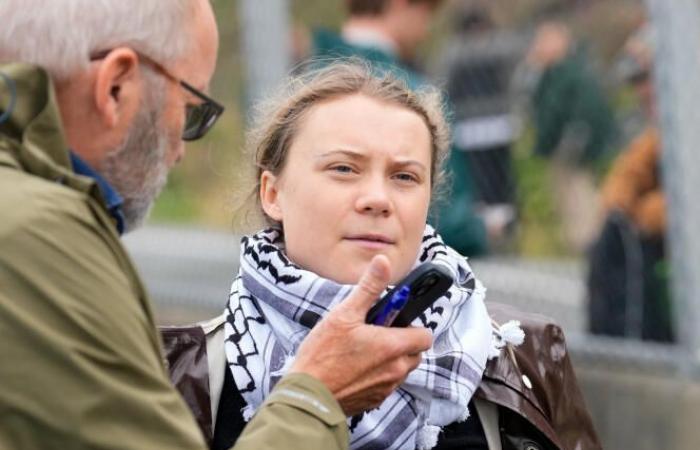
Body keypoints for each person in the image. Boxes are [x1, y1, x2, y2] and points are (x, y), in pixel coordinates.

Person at [0, 1, 432, 449]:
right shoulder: (36, 236)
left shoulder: (495, 357)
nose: (181, 150)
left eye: (405, 176)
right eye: (190, 109)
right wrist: (319, 396)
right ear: (115, 87)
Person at [308, 0, 499, 256]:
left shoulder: (301, 86)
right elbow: (447, 216)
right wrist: (479, 228)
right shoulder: (416, 98)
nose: (426, 29)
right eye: (426, 12)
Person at [588, 25, 672, 342]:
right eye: (636, 81)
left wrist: (642, 213)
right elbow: (627, 174)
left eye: (647, 77)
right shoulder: (657, 132)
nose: (642, 90)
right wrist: (623, 207)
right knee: (611, 243)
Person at [524, 19, 617, 253]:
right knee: (567, 195)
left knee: (579, 193)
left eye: (545, 40)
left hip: (572, 147)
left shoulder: (570, 71)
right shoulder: (549, 73)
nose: (538, 46)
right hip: (559, 145)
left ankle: (592, 242)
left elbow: (581, 109)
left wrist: (576, 138)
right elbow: (535, 102)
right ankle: (586, 243)